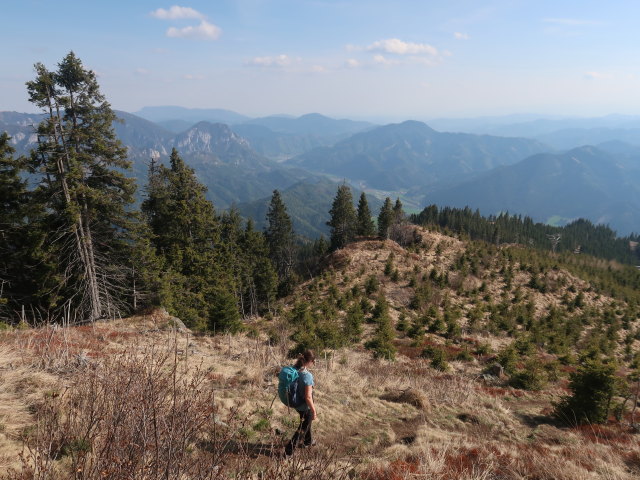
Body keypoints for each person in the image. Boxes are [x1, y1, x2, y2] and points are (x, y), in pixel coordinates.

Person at [284, 349, 317, 456]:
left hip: (296, 403)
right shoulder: (307, 375)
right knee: (302, 428)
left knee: (306, 423)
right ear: (310, 361)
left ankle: (308, 441)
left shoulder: (294, 369)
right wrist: (313, 410)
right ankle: (288, 452)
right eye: (314, 361)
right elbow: (308, 397)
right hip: (304, 406)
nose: (314, 364)